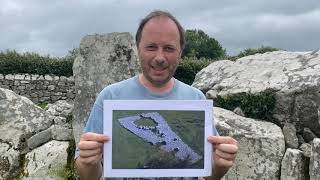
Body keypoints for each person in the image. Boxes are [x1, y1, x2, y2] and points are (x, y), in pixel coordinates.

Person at [74, 10, 238, 180]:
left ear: (180, 52)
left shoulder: (196, 99)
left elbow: (208, 175)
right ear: (138, 49)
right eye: (151, 47)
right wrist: (88, 162)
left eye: (169, 48)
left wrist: (219, 165)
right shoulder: (110, 97)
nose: (159, 57)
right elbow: (88, 176)